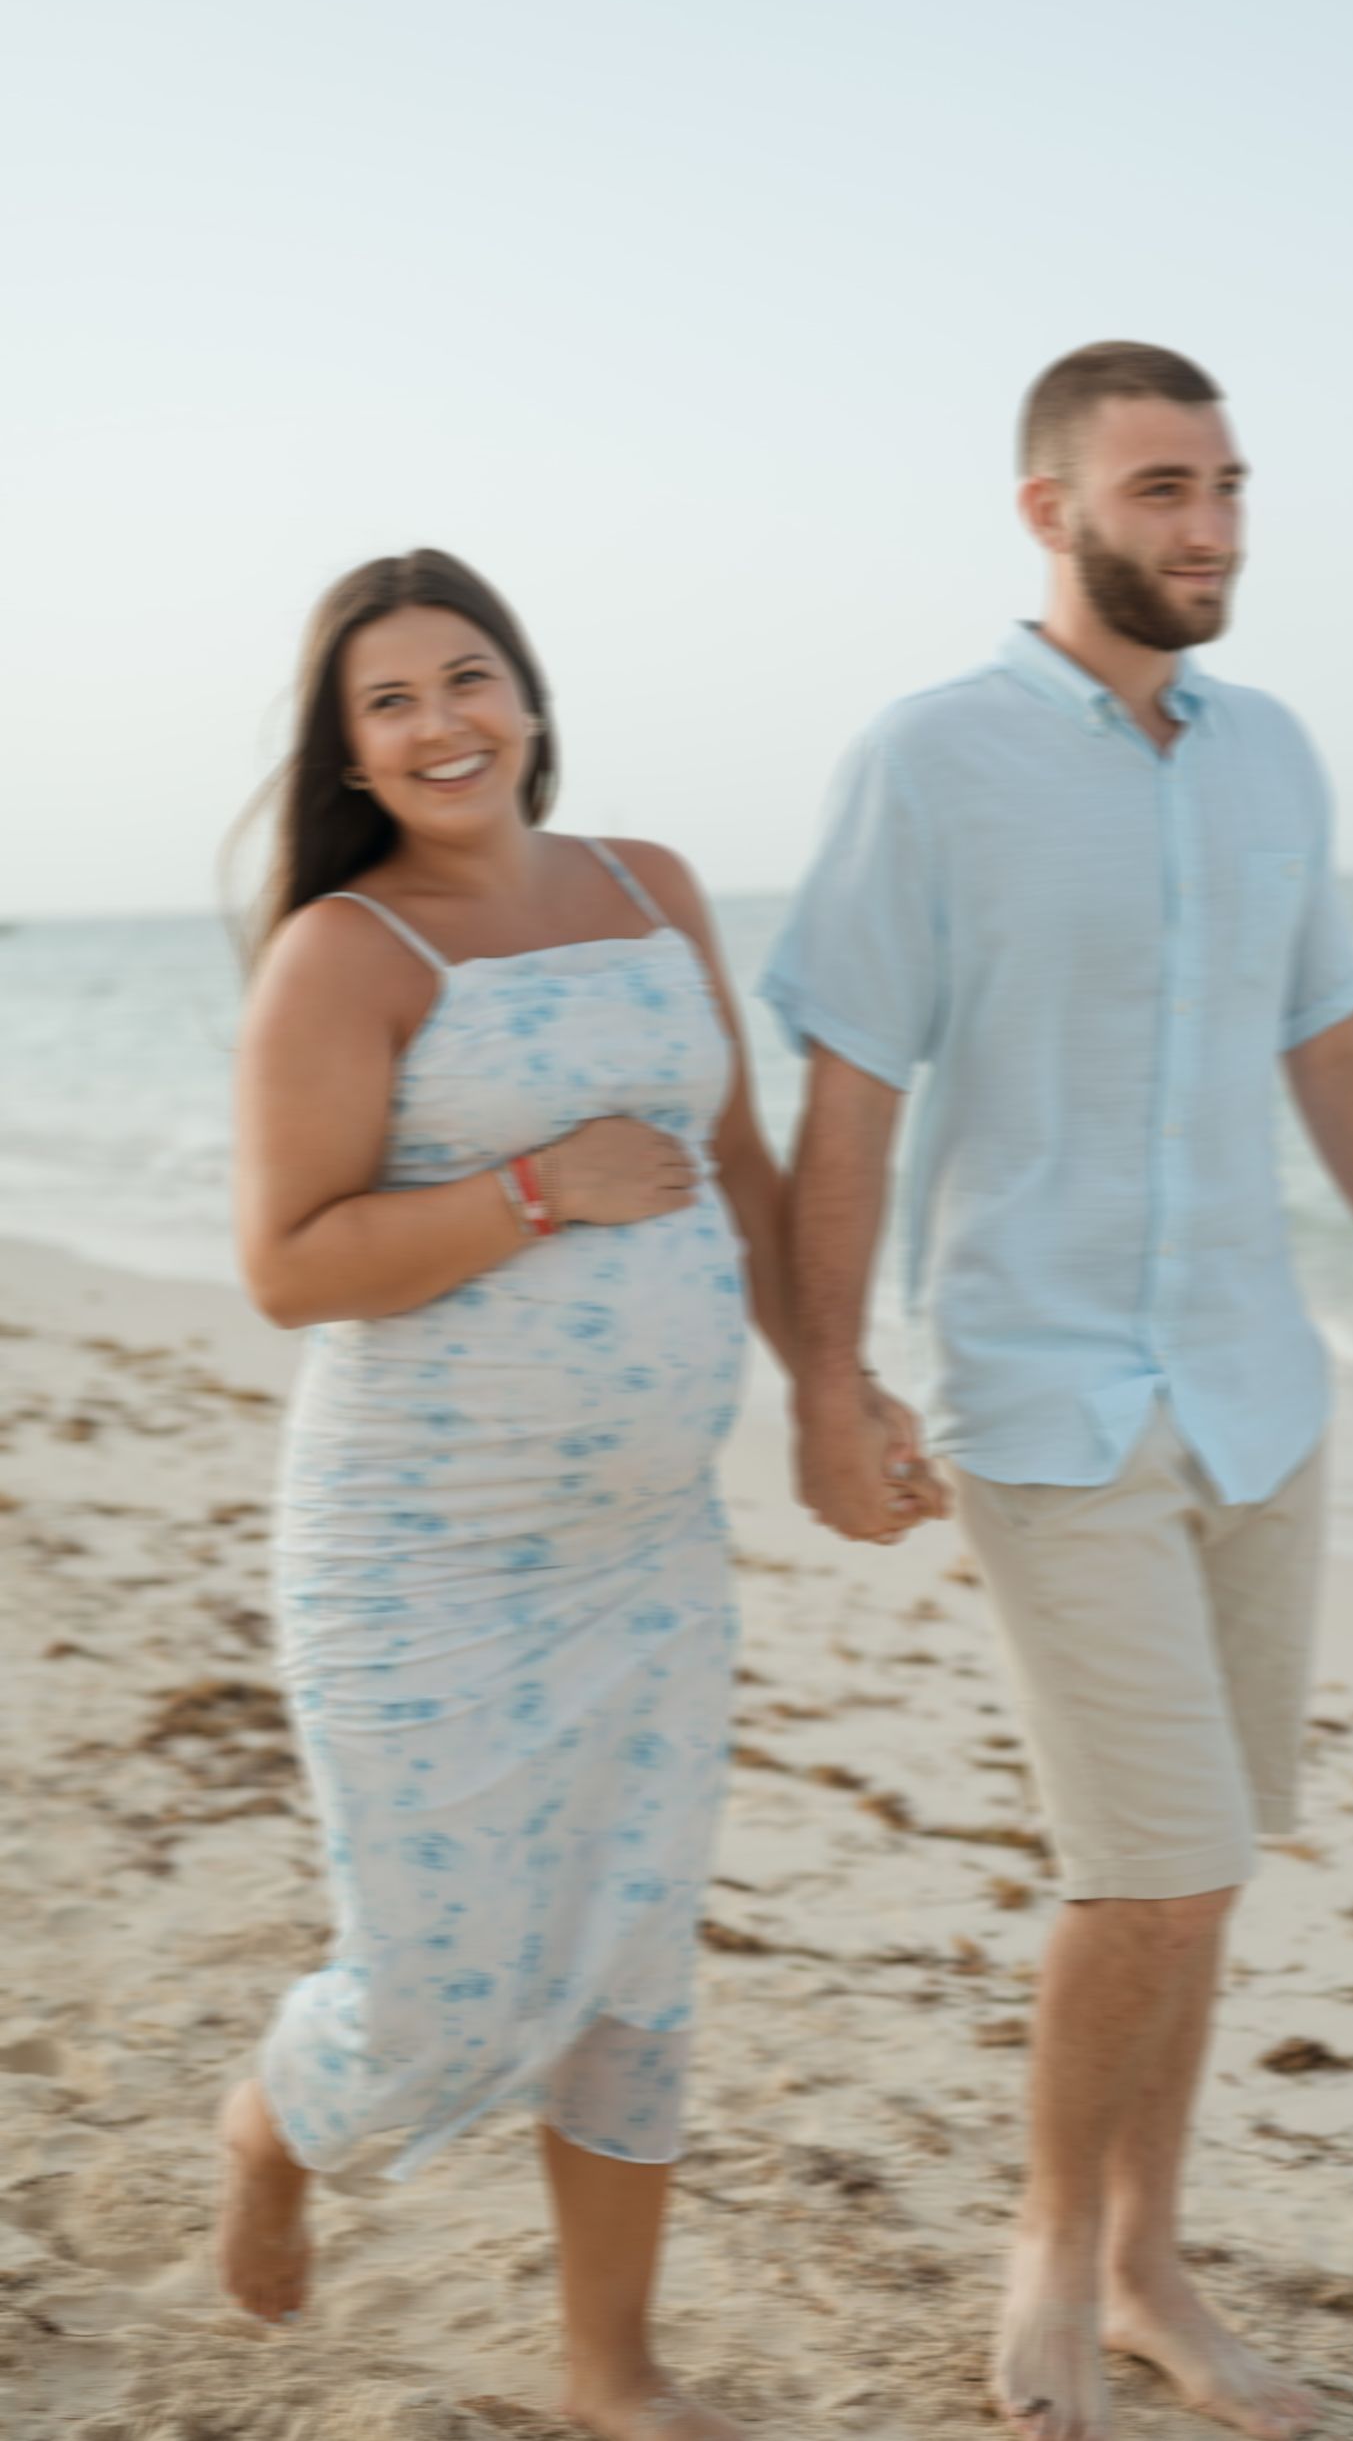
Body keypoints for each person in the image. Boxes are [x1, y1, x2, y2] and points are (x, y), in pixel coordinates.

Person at [763, 344, 1353, 2441]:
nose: (1211, 529)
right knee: (1148, 1864)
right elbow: (852, 1090)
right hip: (1049, 1392)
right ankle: (1047, 2255)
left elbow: (1332, 1043)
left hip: (1260, 1394)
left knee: (1210, 1862)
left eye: (1231, 486)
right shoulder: (932, 761)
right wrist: (829, 1383)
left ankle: (1154, 2262)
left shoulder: (1274, 759)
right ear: (1049, 510)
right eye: (1164, 488)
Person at [216, 548, 931, 2441]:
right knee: (441, 1989)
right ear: (351, 751)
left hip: (646, 1557)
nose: (443, 721)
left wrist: (828, 1395)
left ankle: (610, 2366)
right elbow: (289, 1264)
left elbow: (747, 1171)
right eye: (393, 701)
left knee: (631, 1962)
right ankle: (272, 2117)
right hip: (415, 1562)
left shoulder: (650, 888)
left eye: (470, 677)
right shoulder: (345, 953)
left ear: (527, 695)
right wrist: (534, 1187)